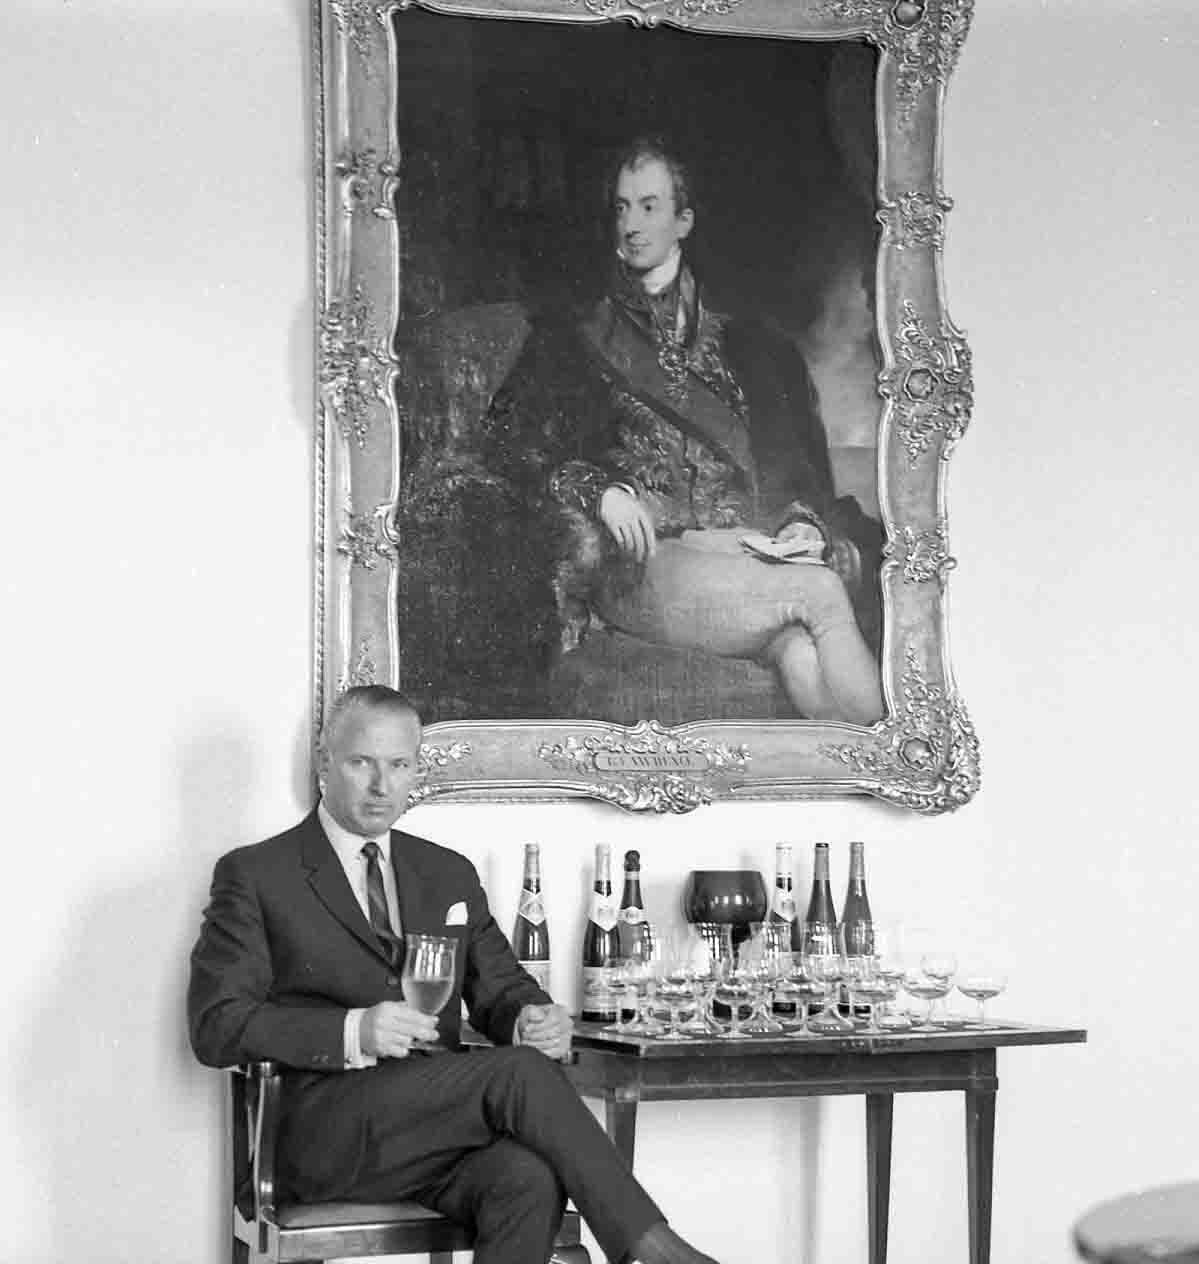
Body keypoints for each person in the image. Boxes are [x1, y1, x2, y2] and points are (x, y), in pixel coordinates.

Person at [188, 685, 720, 1264]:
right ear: (324, 761)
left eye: (399, 765)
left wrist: (531, 1019)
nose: (380, 786)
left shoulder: (445, 873)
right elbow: (216, 1025)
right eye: (362, 762)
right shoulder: (257, 874)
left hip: (438, 1132)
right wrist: (353, 1031)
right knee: (517, 1077)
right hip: (325, 1137)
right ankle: (654, 1247)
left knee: (528, 1178)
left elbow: (503, 988)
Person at [474, 136, 884, 725]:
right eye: (621, 207)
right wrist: (601, 490)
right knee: (818, 593)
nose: (631, 225)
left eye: (649, 206)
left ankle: (856, 786)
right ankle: (890, 756)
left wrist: (796, 521)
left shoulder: (746, 345)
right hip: (645, 565)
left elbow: (790, 466)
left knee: (800, 652)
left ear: (683, 221)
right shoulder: (574, 336)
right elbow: (507, 443)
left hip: (743, 559)